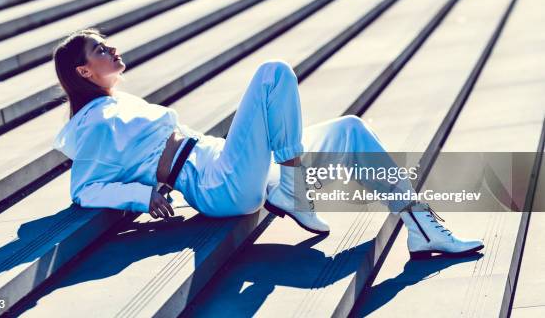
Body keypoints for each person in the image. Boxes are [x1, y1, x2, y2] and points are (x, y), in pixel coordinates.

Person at [51, 28, 484, 259]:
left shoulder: (118, 102)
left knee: (348, 129)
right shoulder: (92, 125)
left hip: (223, 161)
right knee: (272, 73)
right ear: (84, 72)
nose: (111, 49)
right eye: (99, 49)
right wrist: (142, 195)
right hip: (213, 183)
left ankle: (422, 227)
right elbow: (84, 189)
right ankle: (294, 191)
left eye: (106, 43)